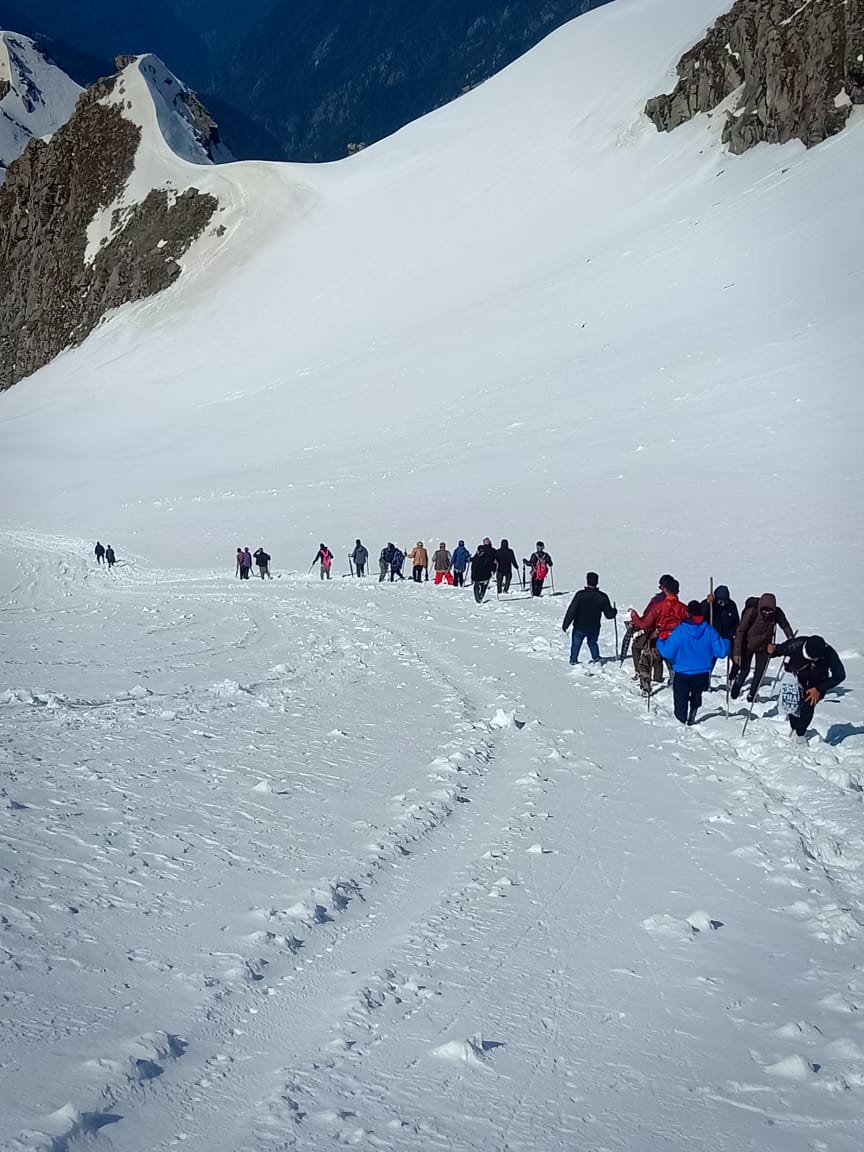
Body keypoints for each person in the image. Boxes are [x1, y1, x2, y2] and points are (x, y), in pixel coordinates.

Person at [657, 600, 730, 725]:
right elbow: (721, 652)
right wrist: (727, 642)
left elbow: (667, 652)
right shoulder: (709, 630)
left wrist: (659, 642)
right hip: (702, 672)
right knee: (697, 694)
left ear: (688, 613)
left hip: (682, 673)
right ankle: (693, 711)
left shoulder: (680, 631)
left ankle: (681, 722)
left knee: (681, 700)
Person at [767, 635, 846, 743]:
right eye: (812, 658)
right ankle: (794, 727)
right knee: (793, 705)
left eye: (818, 659)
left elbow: (840, 675)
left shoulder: (828, 652)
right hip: (796, 680)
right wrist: (772, 650)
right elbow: (779, 650)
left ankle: (800, 734)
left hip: (816, 684)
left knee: (808, 708)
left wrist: (819, 688)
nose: (815, 661)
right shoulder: (795, 645)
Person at [730, 592, 793, 702]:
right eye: (764, 610)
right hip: (747, 645)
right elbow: (740, 631)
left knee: (760, 672)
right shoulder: (751, 612)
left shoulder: (777, 613)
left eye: (770, 611)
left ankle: (752, 695)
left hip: (764, 647)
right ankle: (737, 686)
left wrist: (791, 639)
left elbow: (785, 625)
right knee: (745, 670)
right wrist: (737, 652)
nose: (767, 613)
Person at [629, 575, 688, 694]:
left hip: (660, 640)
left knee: (645, 662)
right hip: (677, 641)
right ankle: (674, 682)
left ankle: (646, 687)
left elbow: (644, 624)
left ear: (665, 588)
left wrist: (634, 616)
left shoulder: (659, 607)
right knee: (674, 665)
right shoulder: (683, 608)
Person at [561, 572, 617, 664]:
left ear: (587, 581)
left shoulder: (580, 595)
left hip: (579, 626)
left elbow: (572, 611)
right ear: (597, 582)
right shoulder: (602, 597)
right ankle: (596, 658)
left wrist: (565, 624)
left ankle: (573, 660)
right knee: (592, 642)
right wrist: (614, 611)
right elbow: (609, 615)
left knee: (576, 644)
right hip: (594, 627)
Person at [470, 538, 496, 603]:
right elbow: (493, 563)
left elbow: (473, 567)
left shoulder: (476, 557)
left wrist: (472, 577)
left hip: (477, 576)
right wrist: (493, 570)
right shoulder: (492, 551)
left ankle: (478, 598)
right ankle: (481, 596)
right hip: (486, 575)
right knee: (483, 586)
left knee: (476, 587)